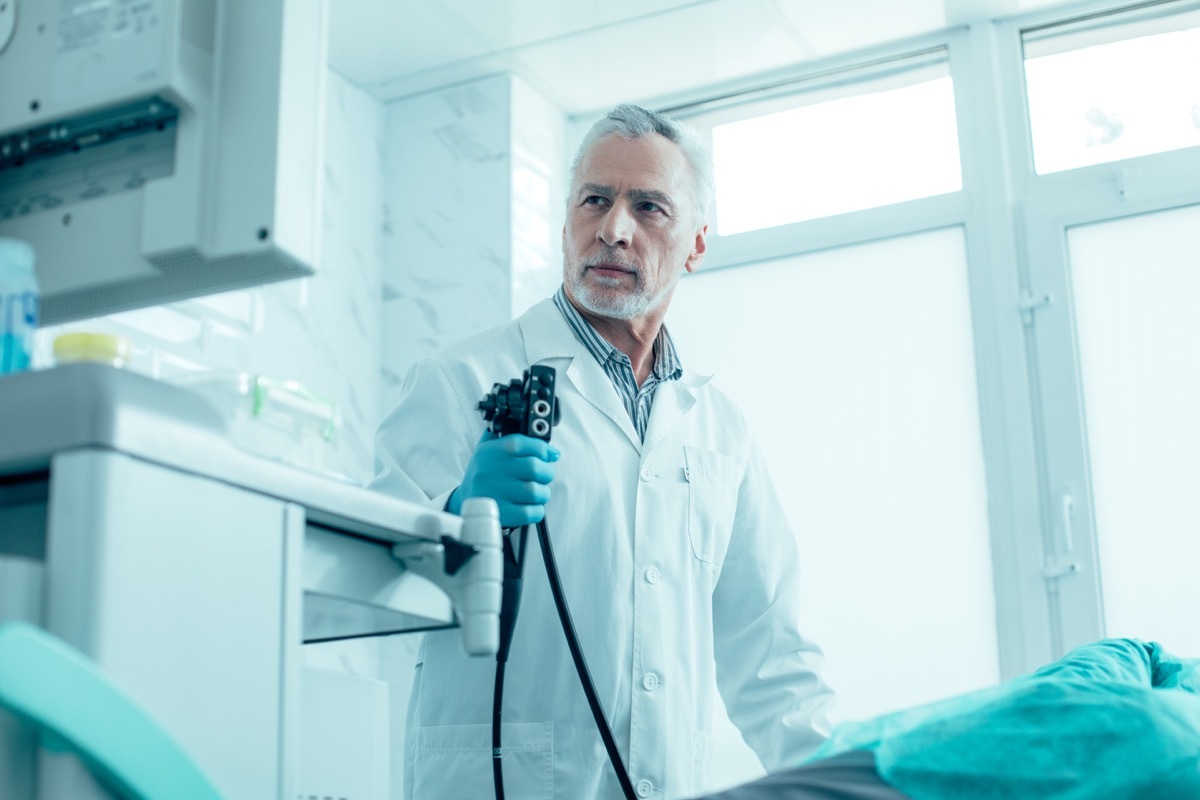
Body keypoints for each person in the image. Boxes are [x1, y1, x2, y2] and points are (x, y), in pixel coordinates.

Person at [372, 103, 834, 799]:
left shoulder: (720, 431)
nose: (614, 229)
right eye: (596, 199)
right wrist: (458, 512)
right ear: (566, 223)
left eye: (649, 207)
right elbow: (366, 579)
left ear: (696, 245)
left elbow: (771, 654)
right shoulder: (462, 379)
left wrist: (851, 779)